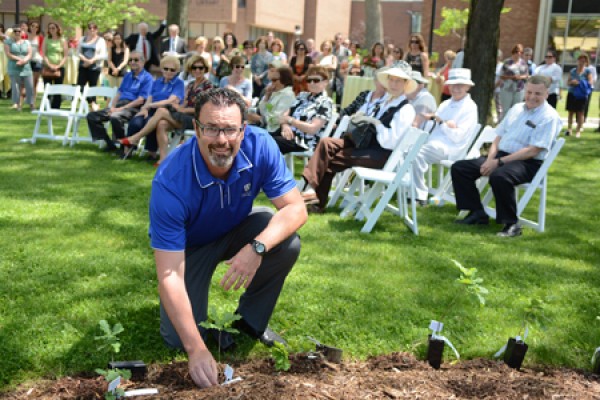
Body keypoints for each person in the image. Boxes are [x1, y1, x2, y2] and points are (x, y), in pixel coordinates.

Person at [149, 87, 307, 388]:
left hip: (237, 228)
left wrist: (256, 248)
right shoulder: (170, 181)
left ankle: (249, 321)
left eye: (230, 129)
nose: (221, 140)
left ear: (243, 129)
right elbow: (169, 273)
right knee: (176, 339)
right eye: (211, 128)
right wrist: (196, 349)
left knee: (286, 240)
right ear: (196, 129)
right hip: (191, 245)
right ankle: (196, 335)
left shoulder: (261, 145)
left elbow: (296, 208)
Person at [451, 75, 562, 237]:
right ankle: (477, 213)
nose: (532, 97)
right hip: (502, 156)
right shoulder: (516, 109)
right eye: (529, 92)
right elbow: (498, 137)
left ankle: (511, 224)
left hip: (528, 163)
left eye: (538, 94)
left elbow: (533, 150)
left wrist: (498, 163)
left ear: (547, 94)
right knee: (460, 168)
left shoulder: (549, 117)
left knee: (499, 176)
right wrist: (490, 160)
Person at [301, 65, 417, 212]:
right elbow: (361, 117)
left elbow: (390, 143)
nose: (394, 84)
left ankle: (315, 200)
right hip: (364, 144)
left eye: (398, 81)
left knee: (329, 160)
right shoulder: (386, 101)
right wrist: (362, 118)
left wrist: (377, 124)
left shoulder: (406, 109)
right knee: (326, 143)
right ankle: (311, 192)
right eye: (391, 80)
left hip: (380, 154)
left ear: (406, 84)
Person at [119, 55, 213, 166]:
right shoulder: (191, 85)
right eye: (194, 68)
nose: (197, 70)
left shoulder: (208, 86)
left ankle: (135, 138)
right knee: (162, 123)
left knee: (161, 111)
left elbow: (205, 110)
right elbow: (184, 103)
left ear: (205, 69)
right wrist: (180, 107)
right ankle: (163, 159)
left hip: (196, 120)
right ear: (190, 69)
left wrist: (183, 109)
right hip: (183, 116)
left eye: (200, 68)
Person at [411, 68, 478, 205]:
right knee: (406, 148)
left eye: (460, 85)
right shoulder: (446, 103)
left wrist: (442, 122)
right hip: (434, 143)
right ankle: (407, 189)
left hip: (452, 148)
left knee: (416, 153)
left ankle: (419, 195)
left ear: (468, 87)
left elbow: (458, 136)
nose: (456, 88)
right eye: (453, 84)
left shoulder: (470, 107)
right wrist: (432, 120)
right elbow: (435, 123)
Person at [120, 55, 185, 159]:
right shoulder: (157, 81)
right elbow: (150, 97)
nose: (168, 71)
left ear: (177, 71)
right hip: (151, 109)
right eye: (166, 68)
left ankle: (151, 152)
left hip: (167, 112)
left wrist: (149, 105)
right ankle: (128, 150)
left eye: (172, 70)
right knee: (136, 121)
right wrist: (145, 108)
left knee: (150, 122)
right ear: (161, 68)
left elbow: (170, 101)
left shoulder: (178, 83)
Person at [86, 51, 153, 152]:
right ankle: (110, 144)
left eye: (136, 60)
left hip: (133, 107)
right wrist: (113, 107)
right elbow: (119, 93)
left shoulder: (147, 78)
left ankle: (123, 146)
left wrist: (119, 109)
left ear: (143, 62)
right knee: (92, 116)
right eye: (130, 60)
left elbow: (140, 100)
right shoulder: (127, 76)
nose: (132, 62)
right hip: (119, 105)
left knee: (115, 117)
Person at [272, 66, 334, 154]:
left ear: (325, 82)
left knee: (266, 143)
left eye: (316, 80)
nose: (312, 83)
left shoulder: (325, 102)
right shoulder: (302, 96)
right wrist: (285, 126)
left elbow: (312, 129)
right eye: (309, 80)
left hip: (302, 141)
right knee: (257, 138)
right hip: (286, 134)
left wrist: (291, 120)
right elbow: (284, 116)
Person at [247, 65, 296, 134]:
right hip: (265, 127)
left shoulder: (287, 95)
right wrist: (267, 96)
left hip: (273, 131)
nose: (271, 83)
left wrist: (260, 119)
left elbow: (276, 119)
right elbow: (265, 110)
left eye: (274, 80)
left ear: (284, 80)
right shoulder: (275, 93)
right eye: (271, 80)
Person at [77, 23, 107, 111]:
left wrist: (92, 60)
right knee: (80, 87)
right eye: (90, 28)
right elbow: (78, 52)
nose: (92, 30)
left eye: (94, 28)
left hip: (95, 67)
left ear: (97, 30)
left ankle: (93, 105)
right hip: (83, 66)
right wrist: (85, 60)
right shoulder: (82, 39)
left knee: (92, 87)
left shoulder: (101, 40)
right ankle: (90, 103)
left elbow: (103, 54)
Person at [4, 25, 34, 111]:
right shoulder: (8, 42)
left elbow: (29, 54)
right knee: (16, 87)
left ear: (22, 32)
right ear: (12, 33)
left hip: (26, 67)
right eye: (15, 31)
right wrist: (20, 59)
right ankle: (17, 104)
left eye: (19, 31)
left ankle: (31, 104)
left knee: (29, 86)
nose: (17, 33)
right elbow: (8, 54)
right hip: (14, 67)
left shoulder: (27, 42)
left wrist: (24, 61)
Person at [498, 44, 529, 122]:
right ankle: (503, 128)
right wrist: (512, 77)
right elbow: (501, 75)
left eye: (520, 52)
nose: (518, 54)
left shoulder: (523, 63)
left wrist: (520, 77)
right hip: (507, 88)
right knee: (506, 110)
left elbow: (526, 75)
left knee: (516, 110)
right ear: (513, 52)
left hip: (519, 89)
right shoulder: (507, 62)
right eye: (516, 52)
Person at [565, 53, 593, 138]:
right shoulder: (573, 71)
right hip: (572, 93)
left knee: (580, 113)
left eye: (584, 61)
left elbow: (590, 83)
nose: (581, 62)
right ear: (577, 61)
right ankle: (569, 129)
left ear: (586, 62)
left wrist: (581, 83)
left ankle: (578, 131)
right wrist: (572, 82)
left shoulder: (588, 71)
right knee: (571, 112)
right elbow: (568, 82)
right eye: (580, 60)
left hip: (581, 95)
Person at [41, 22, 67, 108]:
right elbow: (44, 54)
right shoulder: (46, 39)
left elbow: (65, 56)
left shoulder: (62, 40)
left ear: (57, 29)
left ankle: (56, 106)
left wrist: (58, 66)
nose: (51, 30)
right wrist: (49, 65)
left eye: (53, 28)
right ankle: (47, 105)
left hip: (59, 68)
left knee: (57, 88)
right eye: (50, 28)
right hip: (47, 67)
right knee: (47, 87)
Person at [27, 21, 43, 107]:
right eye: (33, 26)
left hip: (37, 60)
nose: (34, 28)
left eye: (36, 27)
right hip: (27, 61)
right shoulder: (25, 36)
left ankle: (32, 103)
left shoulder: (40, 37)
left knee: (34, 82)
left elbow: (43, 48)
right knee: (28, 82)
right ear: (30, 27)